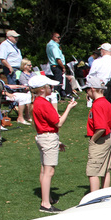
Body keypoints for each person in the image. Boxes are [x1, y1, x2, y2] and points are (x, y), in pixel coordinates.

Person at [30, 74, 78, 212]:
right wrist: (69, 108)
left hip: (43, 137)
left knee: (44, 169)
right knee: (49, 171)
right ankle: (46, 204)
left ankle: (47, 198)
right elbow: (59, 122)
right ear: (42, 89)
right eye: (49, 86)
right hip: (48, 138)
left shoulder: (37, 103)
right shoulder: (44, 103)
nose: (52, 88)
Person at [82, 76, 111, 192]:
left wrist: (93, 140)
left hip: (100, 140)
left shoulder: (97, 105)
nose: (86, 92)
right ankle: (105, 193)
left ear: (92, 89)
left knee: (93, 171)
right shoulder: (107, 103)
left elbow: (101, 128)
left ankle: (94, 198)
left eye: (87, 89)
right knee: (105, 169)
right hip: (108, 138)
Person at [87, 43, 111, 116]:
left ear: (102, 51)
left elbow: (90, 78)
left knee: (99, 114)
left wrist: (89, 91)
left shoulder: (97, 62)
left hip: (100, 90)